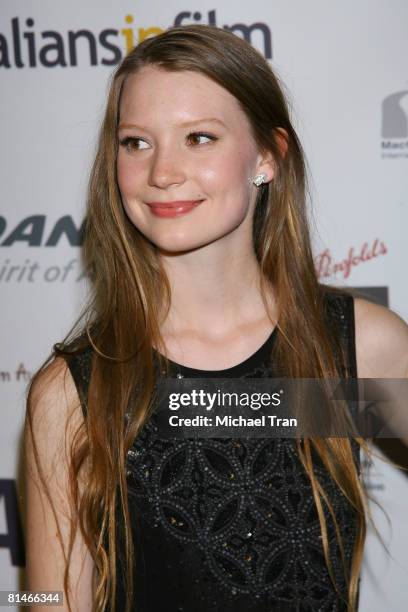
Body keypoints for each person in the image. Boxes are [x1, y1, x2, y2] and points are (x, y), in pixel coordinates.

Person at [23, 24, 408, 612]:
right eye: (136, 142)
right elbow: (47, 599)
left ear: (267, 157)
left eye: (199, 137)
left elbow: (255, 408)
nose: (162, 172)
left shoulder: (354, 349)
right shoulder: (78, 392)